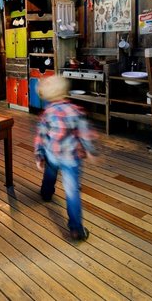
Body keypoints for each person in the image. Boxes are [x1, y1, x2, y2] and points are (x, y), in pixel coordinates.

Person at [34, 75, 97, 242]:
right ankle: (76, 229)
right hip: (71, 157)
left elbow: (41, 136)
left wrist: (39, 155)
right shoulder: (76, 111)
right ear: (65, 91)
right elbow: (85, 134)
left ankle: (46, 193)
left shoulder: (46, 113)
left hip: (52, 154)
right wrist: (91, 151)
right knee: (72, 191)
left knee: (50, 173)